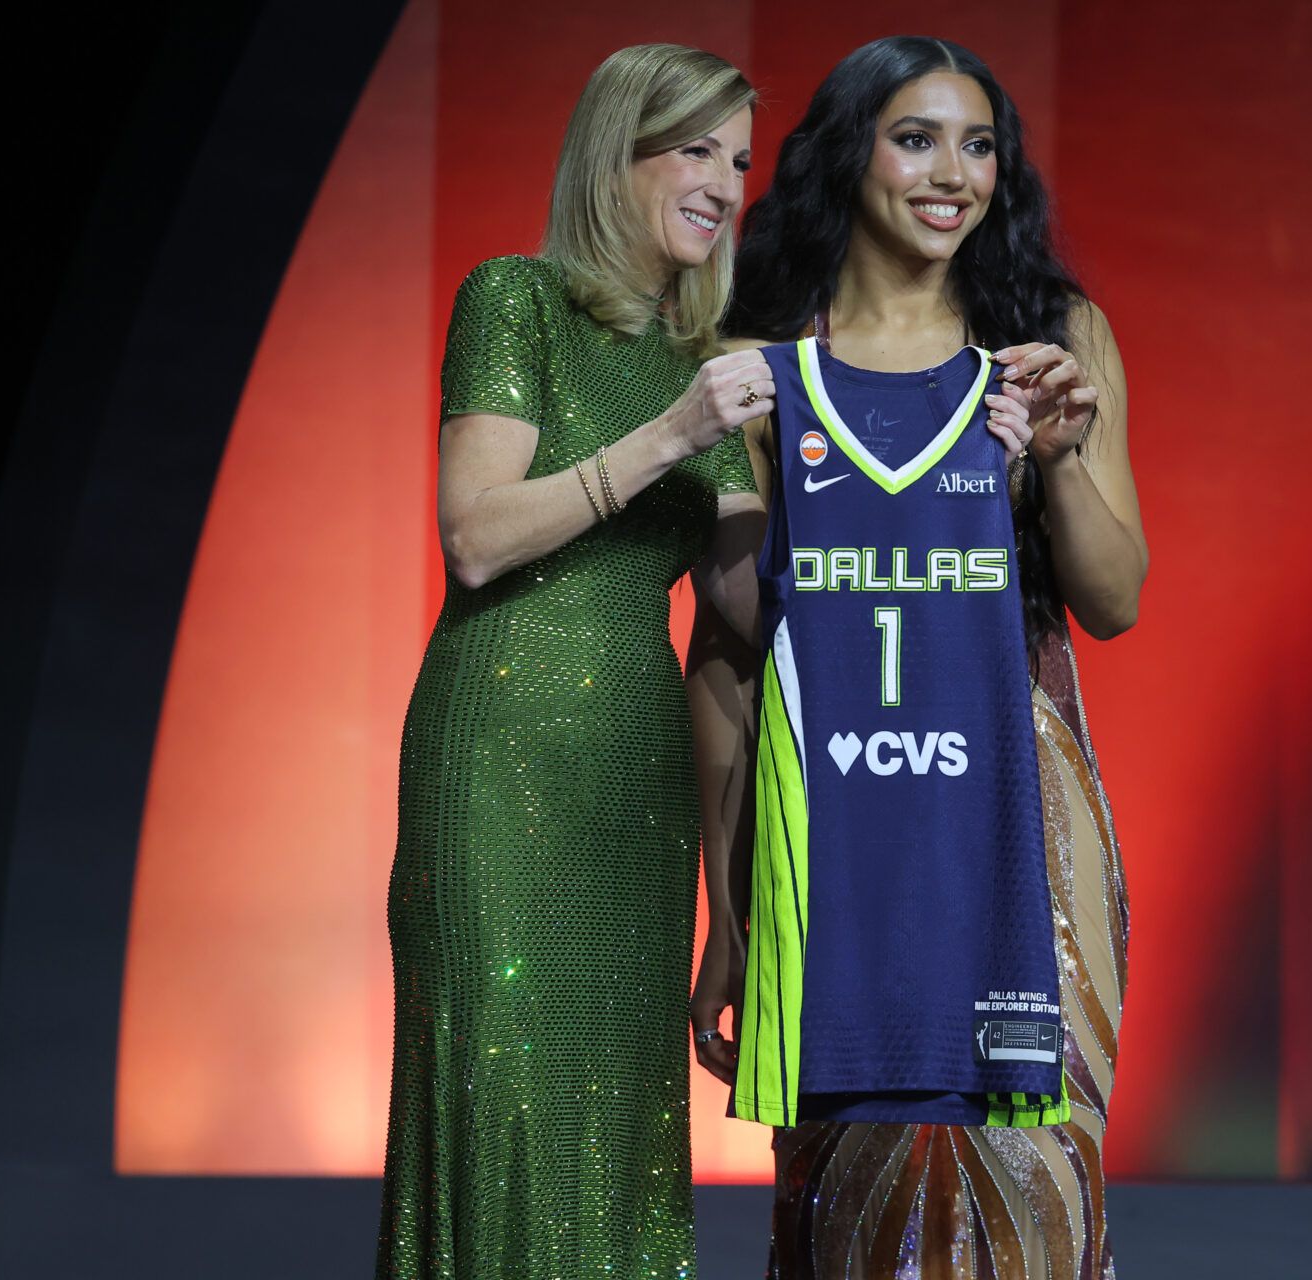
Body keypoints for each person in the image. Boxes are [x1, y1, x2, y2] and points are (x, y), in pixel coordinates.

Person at [702, 35, 1144, 1278]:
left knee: (1034, 1184)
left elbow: (1113, 600)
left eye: (980, 143)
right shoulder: (760, 360)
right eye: (916, 138)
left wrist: (1056, 451)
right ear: (850, 155)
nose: (954, 173)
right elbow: (730, 654)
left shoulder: (1054, 337)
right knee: (855, 1200)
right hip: (831, 824)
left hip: (1021, 817)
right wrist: (728, 918)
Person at [375, 44, 772, 1280]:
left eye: (742, 159)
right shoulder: (519, 299)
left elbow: (752, 614)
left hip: (635, 772)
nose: (724, 182)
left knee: (618, 1120)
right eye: (696, 148)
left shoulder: (706, 365)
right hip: (501, 751)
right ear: (620, 153)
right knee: (501, 1086)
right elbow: (476, 536)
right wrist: (673, 434)